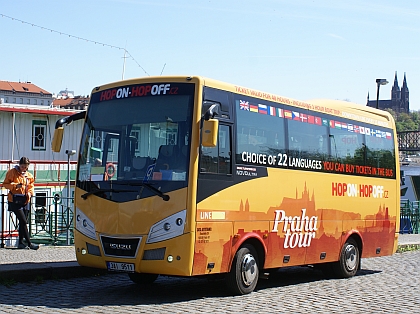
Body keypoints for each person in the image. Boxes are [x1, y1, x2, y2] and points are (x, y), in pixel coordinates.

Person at [3, 157, 39, 250]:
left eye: (25, 167)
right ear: (19, 164)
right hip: (14, 200)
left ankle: (20, 243)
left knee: (22, 222)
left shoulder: (29, 175)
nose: (23, 168)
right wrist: (15, 185)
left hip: (25, 200)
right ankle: (29, 243)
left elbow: (31, 186)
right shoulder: (12, 172)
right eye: (22, 166)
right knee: (23, 221)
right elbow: (5, 184)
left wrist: (30, 193)